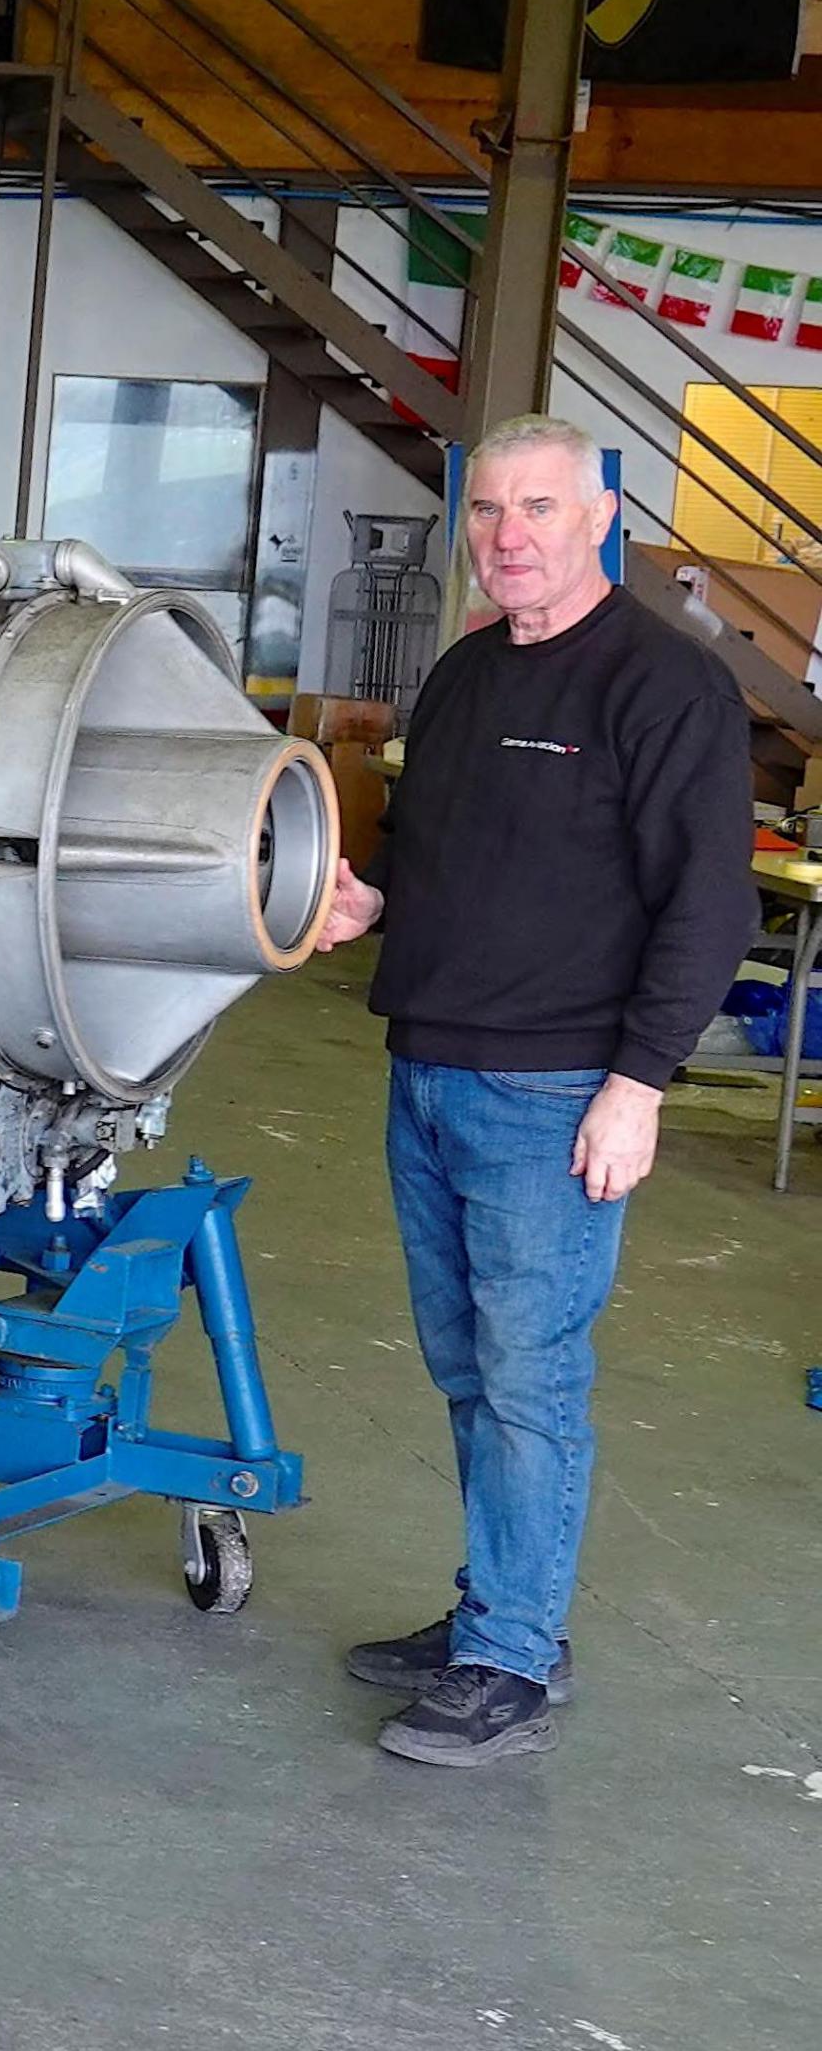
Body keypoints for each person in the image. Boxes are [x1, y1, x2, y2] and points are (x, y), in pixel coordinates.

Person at [314, 412, 752, 1766]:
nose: (508, 537)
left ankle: (512, 1659)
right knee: (469, 1372)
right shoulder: (461, 677)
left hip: (555, 1093)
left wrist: (640, 1083)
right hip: (429, 1073)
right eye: (489, 511)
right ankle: (497, 1612)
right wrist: (371, 902)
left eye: (540, 509)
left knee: (529, 1381)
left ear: (603, 516)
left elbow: (709, 906)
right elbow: (456, 862)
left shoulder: (663, 687)